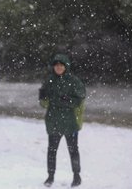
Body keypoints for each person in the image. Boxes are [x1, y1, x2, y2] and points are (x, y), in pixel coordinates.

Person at [39, 53, 86, 187]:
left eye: (61, 65)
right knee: (52, 150)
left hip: (70, 122)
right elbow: (44, 103)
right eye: (56, 65)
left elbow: (80, 98)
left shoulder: (74, 81)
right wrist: (43, 97)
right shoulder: (49, 81)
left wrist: (68, 101)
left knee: (73, 150)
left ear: (66, 66)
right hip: (53, 122)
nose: (59, 68)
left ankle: (77, 176)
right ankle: (50, 176)